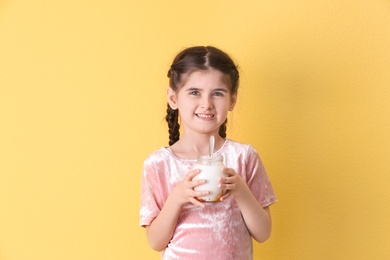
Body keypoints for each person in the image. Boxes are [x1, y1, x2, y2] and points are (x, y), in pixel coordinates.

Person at [140, 46, 277, 259]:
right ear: (173, 98)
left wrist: (241, 191)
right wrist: (176, 198)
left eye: (218, 93)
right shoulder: (159, 164)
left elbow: (263, 233)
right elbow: (156, 242)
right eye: (194, 92)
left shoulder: (243, 157)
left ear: (232, 100)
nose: (206, 104)